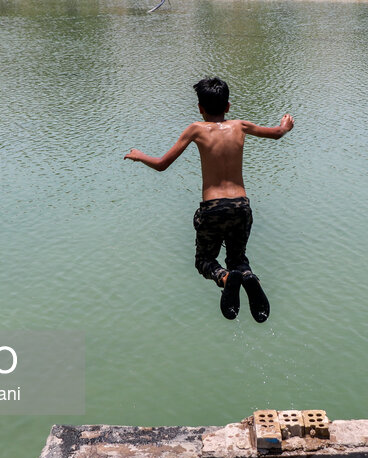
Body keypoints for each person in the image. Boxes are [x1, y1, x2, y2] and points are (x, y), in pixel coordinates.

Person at [125, 78, 294, 322]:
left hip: (213, 208)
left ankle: (225, 278)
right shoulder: (240, 125)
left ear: (200, 108)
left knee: (204, 261)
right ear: (228, 106)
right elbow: (277, 134)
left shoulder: (196, 129)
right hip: (241, 206)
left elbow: (162, 165)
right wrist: (285, 125)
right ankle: (248, 277)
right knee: (238, 259)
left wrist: (140, 156)